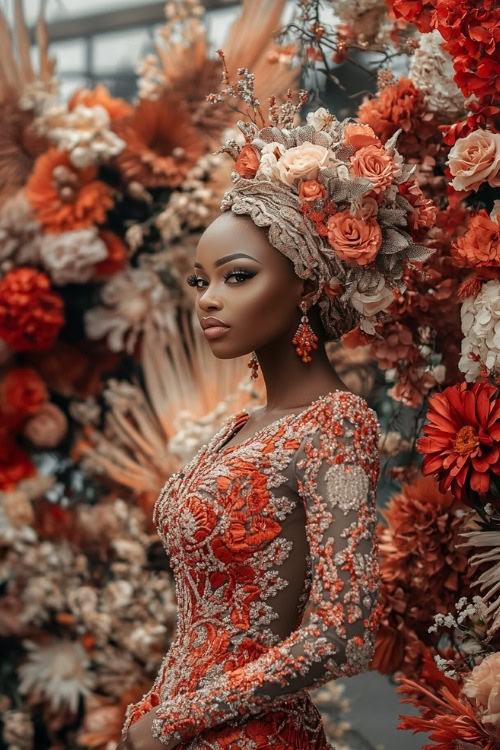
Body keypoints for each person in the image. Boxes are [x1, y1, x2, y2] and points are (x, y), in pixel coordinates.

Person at [119, 101, 429, 749]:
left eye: (237, 277)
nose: (208, 298)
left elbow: (344, 633)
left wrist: (177, 717)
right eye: (200, 280)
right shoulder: (239, 425)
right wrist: (156, 711)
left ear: (308, 284)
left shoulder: (335, 423)